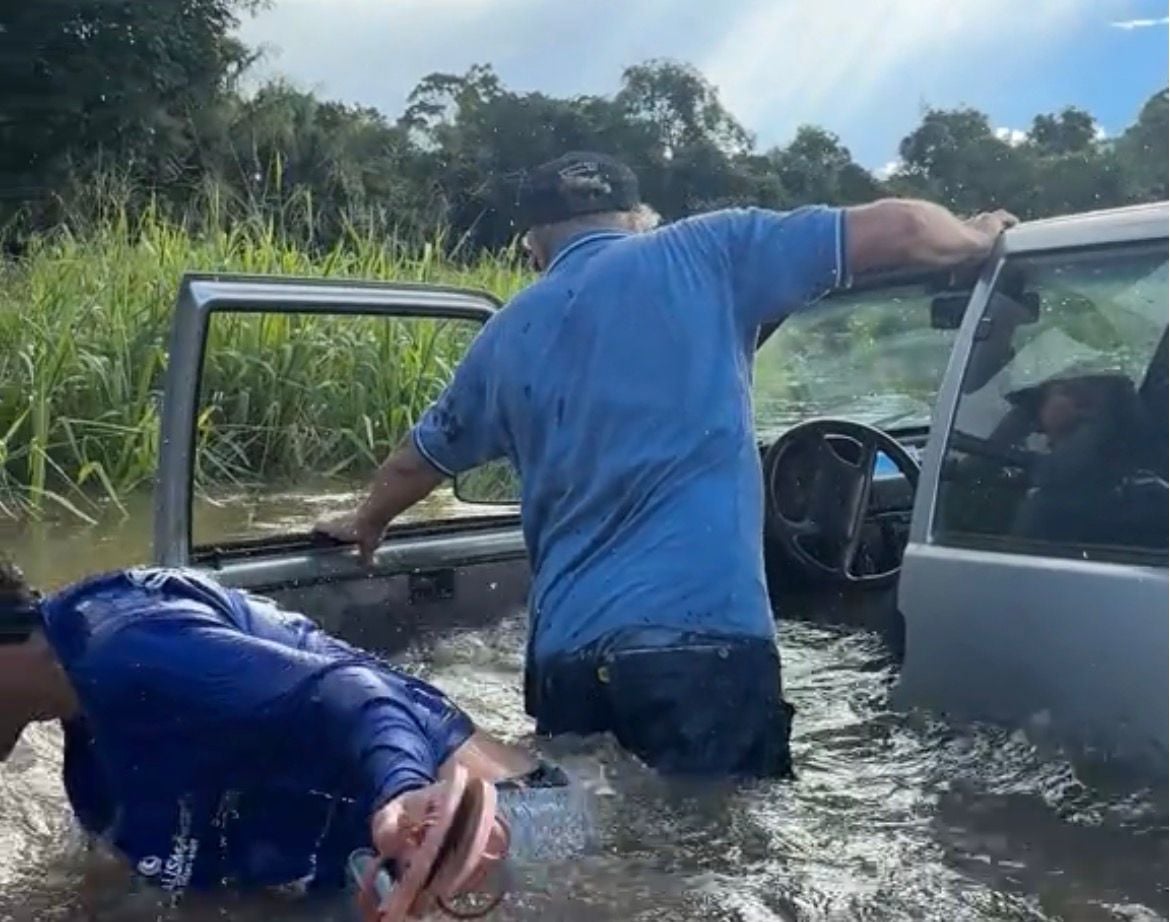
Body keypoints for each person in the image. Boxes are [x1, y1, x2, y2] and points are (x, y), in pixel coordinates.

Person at [315, 151, 1019, 779]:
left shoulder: (504, 336)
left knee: (599, 861)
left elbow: (415, 463)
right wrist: (978, 239)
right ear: (636, 217)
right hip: (702, 654)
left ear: (533, 244)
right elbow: (900, 229)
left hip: (567, 671)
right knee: (714, 867)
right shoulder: (708, 252)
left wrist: (365, 523)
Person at [0, 559, 581, 921]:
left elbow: (353, 693)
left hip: (484, 824)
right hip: (388, 847)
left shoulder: (124, 648)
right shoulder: (89, 742)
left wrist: (403, 791)